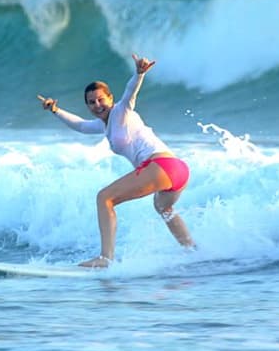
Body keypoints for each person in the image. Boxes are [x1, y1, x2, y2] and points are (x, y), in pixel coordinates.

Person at [38, 54, 194, 267]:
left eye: (101, 99)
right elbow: (81, 126)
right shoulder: (104, 125)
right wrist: (55, 110)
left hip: (161, 166)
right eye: (91, 102)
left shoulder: (121, 111)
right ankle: (192, 251)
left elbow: (130, 94)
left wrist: (139, 74)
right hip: (176, 170)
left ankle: (105, 258)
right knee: (163, 208)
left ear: (111, 99)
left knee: (104, 198)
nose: (97, 105)